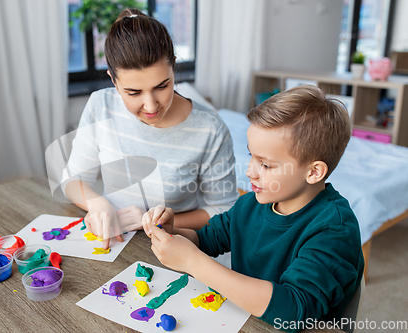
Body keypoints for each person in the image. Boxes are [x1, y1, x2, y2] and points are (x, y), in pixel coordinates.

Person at [142, 85, 364, 332]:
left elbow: (293, 312)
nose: (249, 171)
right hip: (244, 319)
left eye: (266, 165)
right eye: (251, 156)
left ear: (313, 172)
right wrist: (174, 232)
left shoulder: (334, 229)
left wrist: (193, 263)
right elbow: (206, 240)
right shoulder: (252, 203)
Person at [61, 8, 238, 250]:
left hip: (176, 248)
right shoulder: (100, 105)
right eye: (133, 93)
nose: (151, 106)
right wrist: (97, 203)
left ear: (173, 67)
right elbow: (73, 179)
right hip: (114, 244)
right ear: (113, 80)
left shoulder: (210, 130)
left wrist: (162, 222)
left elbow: (224, 210)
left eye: (162, 86)